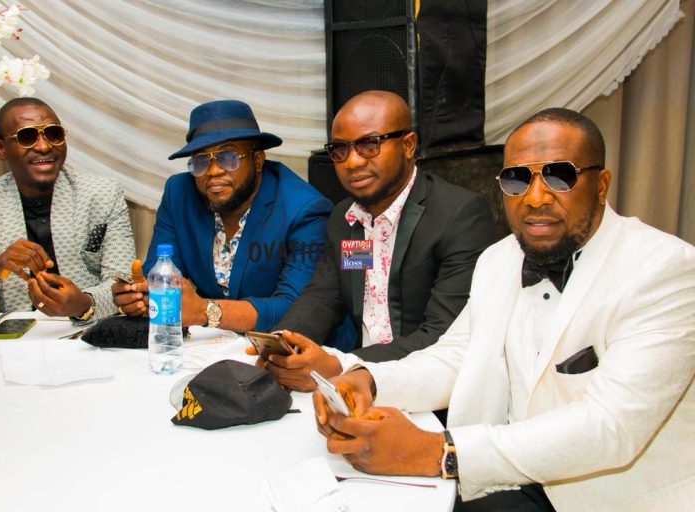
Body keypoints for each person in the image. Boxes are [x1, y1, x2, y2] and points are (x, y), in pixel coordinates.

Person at [313, 108, 695, 511]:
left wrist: (437, 451)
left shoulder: (665, 269)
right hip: (508, 476)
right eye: (517, 179)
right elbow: (455, 356)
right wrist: (368, 380)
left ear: (601, 185)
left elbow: (610, 426)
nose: (535, 197)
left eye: (559, 176)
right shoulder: (499, 259)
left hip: (605, 497)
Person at [258, 90, 497, 391]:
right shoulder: (347, 218)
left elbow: (442, 335)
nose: (352, 162)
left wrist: (341, 365)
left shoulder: (458, 216)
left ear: (408, 145)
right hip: (355, 385)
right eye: (339, 149)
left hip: (430, 392)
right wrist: (283, 344)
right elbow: (326, 295)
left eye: (369, 144)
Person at [112, 100, 332, 332]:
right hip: (210, 343)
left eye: (228, 157)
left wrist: (206, 311)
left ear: (258, 160)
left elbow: (296, 308)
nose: (213, 171)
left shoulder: (303, 209)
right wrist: (141, 297)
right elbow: (163, 277)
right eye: (201, 160)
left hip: (284, 344)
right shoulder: (179, 194)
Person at [0, 97, 136, 323]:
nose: (44, 146)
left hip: (92, 330)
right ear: (1, 148)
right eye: (27, 137)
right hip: (19, 335)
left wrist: (83, 303)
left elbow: (124, 282)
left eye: (53, 134)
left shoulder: (102, 193)